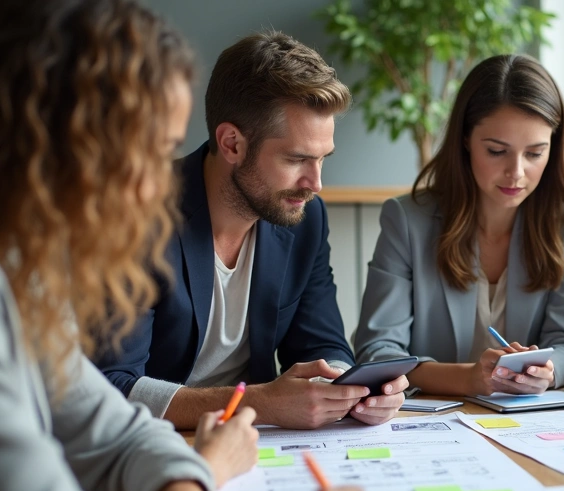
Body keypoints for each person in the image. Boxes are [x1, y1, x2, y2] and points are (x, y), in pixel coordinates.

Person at [0, 2, 369, 491]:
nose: (155, 189)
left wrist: (184, 490)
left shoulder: (10, 264)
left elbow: (106, 428)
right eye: (147, 153)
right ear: (57, 141)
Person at [93, 31, 407, 429]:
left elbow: (320, 344)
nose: (315, 183)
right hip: (157, 447)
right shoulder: (136, 217)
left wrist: (354, 389)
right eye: (296, 159)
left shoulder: (306, 217)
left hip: (260, 445)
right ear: (232, 143)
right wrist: (256, 404)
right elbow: (113, 386)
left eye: (322, 158)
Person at [353, 54, 564, 396]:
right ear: (466, 139)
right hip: (430, 422)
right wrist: (468, 378)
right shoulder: (407, 221)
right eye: (497, 151)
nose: (516, 172)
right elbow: (378, 351)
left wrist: (546, 371)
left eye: (534, 153)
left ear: (553, 148)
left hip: (527, 423)